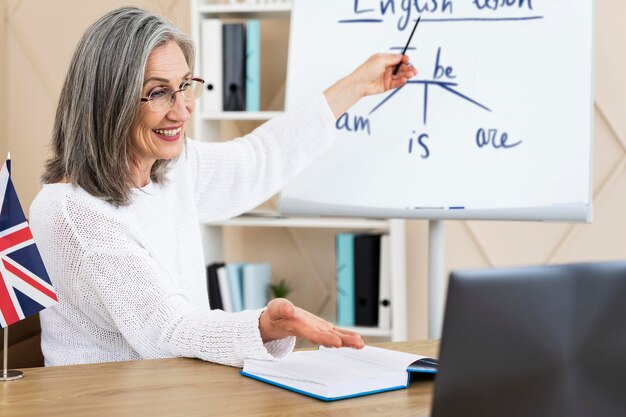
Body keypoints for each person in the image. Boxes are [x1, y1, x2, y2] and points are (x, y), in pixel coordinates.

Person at [29, 6, 417, 367]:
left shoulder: (171, 168)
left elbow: (258, 160)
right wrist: (263, 328)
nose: (184, 109)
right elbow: (169, 329)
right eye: (159, 91)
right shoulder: (70, 211)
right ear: (107, 102)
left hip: (175, 389)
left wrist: (357, 85)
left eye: (185, 85)